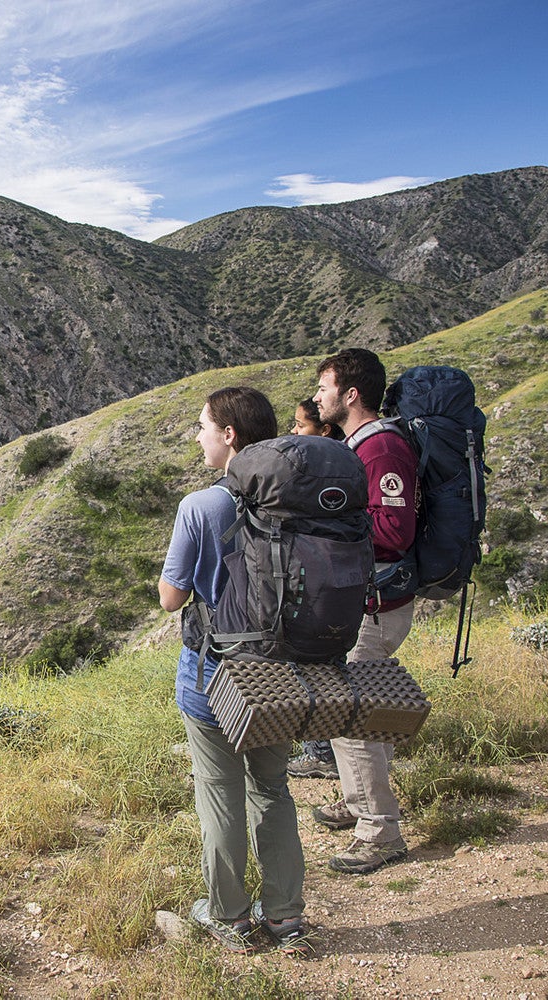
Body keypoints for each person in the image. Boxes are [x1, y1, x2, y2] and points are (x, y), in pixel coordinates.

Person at [159, 386, 312, 956]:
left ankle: (228, 916)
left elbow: (171, 599)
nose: (197, 436)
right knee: (272, 789)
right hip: (279, 673)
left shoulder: (202, 506)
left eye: (202, 426)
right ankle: (287, 917)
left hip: (214, 675)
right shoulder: (298, 499)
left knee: (220, 793)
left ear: (229, 435)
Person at [311, 349, 418, 875]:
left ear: (351, 394)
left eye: (325, 387)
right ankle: (358, 803)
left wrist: (328, 530)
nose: (317, 397)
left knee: (351, 715)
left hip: (374, 605)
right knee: (353, 709)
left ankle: (379, 831)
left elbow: (395, 532)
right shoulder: (359, 445)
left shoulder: (380, 448)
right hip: (363, 601)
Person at [286, 397, 345, 780]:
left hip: (318, 580)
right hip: (341, 579)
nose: (293, 432)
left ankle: (321, 752)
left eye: (300, 425)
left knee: (311, 666)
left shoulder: (320, 472)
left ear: (323, 430)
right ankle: (326, 748)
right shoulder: (345, 469)